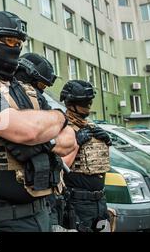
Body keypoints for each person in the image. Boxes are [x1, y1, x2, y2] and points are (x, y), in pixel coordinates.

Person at [0, 11, 77, 232]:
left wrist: (54, 127)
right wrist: (55, 124)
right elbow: (27, 131)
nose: (16, 47)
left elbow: (70, 141)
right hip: (1, 219)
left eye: (19, 42)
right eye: (10, 40)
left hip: (44, 212)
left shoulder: (28, 91)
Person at [14, 53, 67, 230]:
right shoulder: (8, 98)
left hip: (45, 195)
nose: (41, 91)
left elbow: (66, 140)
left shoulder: (38, 100)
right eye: (41, 85)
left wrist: (48, 140)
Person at [59, 80, 112, 232]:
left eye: (90, 102)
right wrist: (76, 143)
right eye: (84, 102)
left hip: (100, 201)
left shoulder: (90, 126)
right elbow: (59, 167)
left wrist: (107, 141)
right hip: (78, 203)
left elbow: (100, 162)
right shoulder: (63, 128)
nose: (89, 105)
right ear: (71, 103)